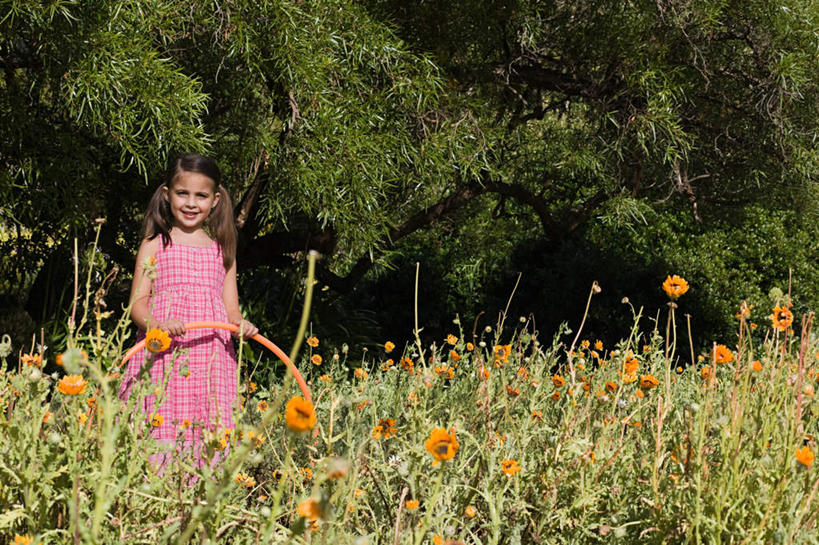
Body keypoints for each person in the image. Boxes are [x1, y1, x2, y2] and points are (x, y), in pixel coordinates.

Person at [119, 153, 258, 469]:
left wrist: (242, 325)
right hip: (163, 356)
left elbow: (231, 311)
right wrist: (156, 324)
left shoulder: (222, 250)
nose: (191, 203)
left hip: (210, 361)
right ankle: (154, 488)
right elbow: (137, 304)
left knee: (208, 430)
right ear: (167, 195)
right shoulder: (155, 244)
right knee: (158, 423)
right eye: (183, 193)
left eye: (201, 196)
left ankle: (203, 491)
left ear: (215, 199)